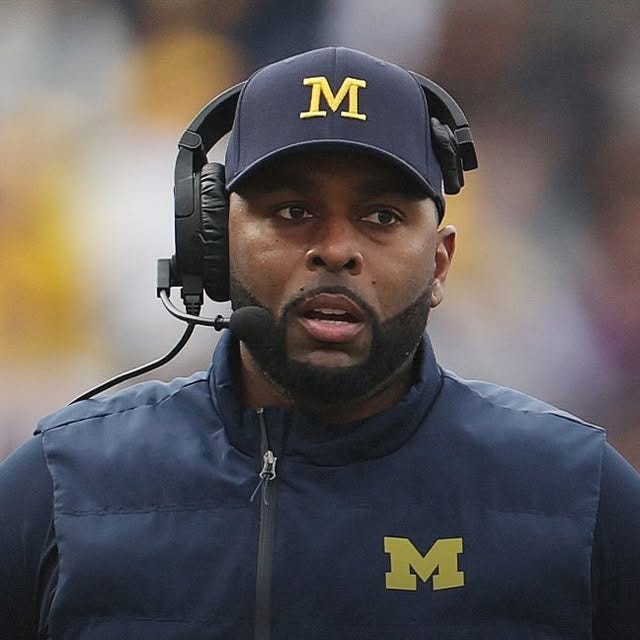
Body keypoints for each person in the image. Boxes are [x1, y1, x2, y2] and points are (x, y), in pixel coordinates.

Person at [1, 46, 639, 640]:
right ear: (213, 242)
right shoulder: (61, 490)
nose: (336, 250)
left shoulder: (577, 496)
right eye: (292, 211)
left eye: (382, 216)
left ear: (440, 263)